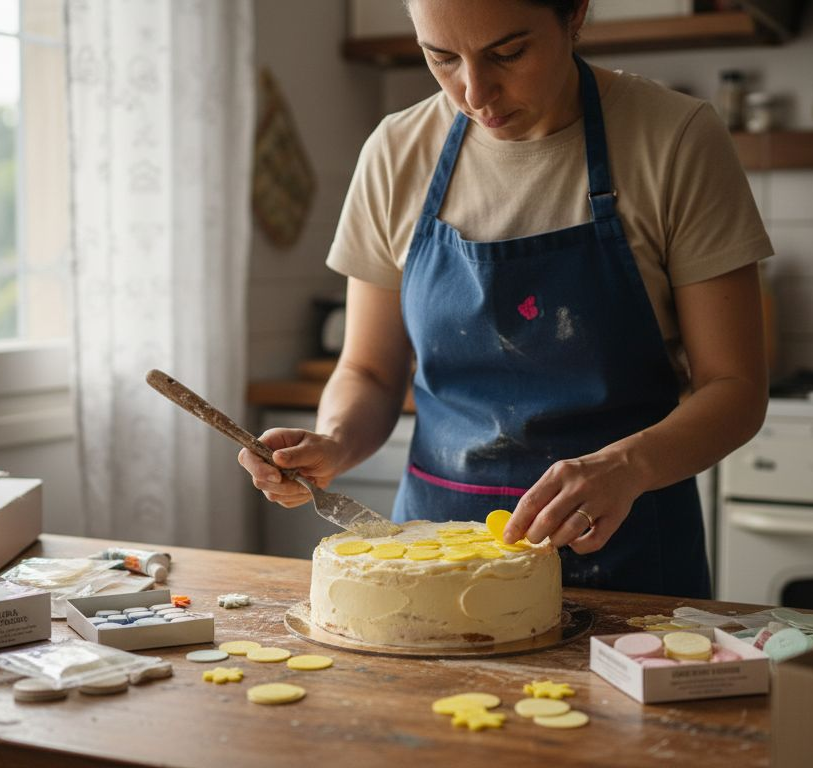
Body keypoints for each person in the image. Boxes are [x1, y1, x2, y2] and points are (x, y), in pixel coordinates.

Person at [239, 0, 770, 597]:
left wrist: (627, 467)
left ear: (575, 15)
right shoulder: (396, 151)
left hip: (629, 560)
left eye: (508, 53)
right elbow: (368, 370)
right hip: (436, 556)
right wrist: (334, 441)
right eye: (441, 57)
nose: (475, 93)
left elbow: (736, 390)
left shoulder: (675, 139)